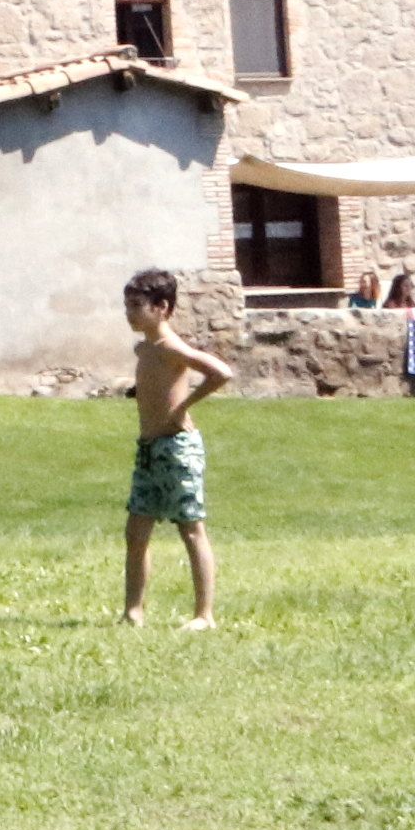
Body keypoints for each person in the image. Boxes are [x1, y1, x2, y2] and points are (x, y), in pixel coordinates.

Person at [119, 264, 234, 631]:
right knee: (136, 532)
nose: (129, 312)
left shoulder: (170, 346)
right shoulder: (145, 349)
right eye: (128, 305)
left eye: (137, 305)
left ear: (162, 307)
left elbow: (221, 372)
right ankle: (133, 612)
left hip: (176, 448)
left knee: (190, 528)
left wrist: (183, 406)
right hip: (149, 448)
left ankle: (205, 616)